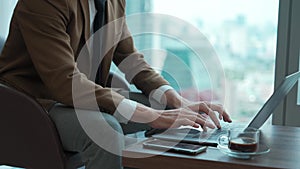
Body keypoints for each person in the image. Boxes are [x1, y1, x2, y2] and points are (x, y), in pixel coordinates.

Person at [0, 0, 232, 168]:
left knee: (166, 109)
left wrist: (175, 100)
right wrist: (151, 116)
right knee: (105, 130)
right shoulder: (44, 3)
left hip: (79, 95)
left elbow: (130, 59)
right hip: (34, 102)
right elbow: (64, 82)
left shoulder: (113, 2)